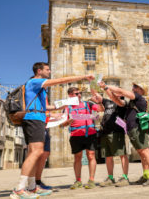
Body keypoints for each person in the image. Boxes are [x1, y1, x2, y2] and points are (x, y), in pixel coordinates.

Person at [11, 62, 94, 199]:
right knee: (35, 152)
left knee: (35, 153)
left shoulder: (39, 88)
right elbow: (61, 80)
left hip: (38, 118)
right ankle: (19, 189)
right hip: (34, 118)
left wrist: (66, 104)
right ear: (39, 71)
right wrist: (83, 76)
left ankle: (32, 187)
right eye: (47, 69)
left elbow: (47, 107)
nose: (49, 72)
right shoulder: (36, 81)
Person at [103, 82, 149, 186]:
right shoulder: (132, 102)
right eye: (133, 86)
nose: (133, 88)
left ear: (141, 90)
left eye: (135, 87)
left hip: (137, 128)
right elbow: (116, 100)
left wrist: (105, 86)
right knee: (141, 152)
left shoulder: (138, 97)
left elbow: (121, 91)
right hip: (132, 129)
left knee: (145, 151)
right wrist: (107, 90)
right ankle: (146, 175)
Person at [61, 87, 103, 190]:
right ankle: (78, 181)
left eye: (80, 93)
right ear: (70, 95)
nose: (79, 95)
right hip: (75, 135)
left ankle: (91, 180)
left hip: (90, 133)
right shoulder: (67, 108)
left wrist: (99, 102)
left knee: (91, 155)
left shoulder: (88, 104)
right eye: (76, 93)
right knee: (77, 158)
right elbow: (61, 125)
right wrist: (68, 122)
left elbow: (100, 111)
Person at [89, 83, 130, 187]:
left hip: (117, 132)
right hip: (105, 132)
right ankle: (110, 177)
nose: (115, 92)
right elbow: (96, 96)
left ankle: (125, 177)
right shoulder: (108, 102)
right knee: (108, 156)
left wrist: (106, 87)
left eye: (117, 91)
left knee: (122, 154)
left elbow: (113, 97)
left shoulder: (123, 102)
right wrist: (93, 83)